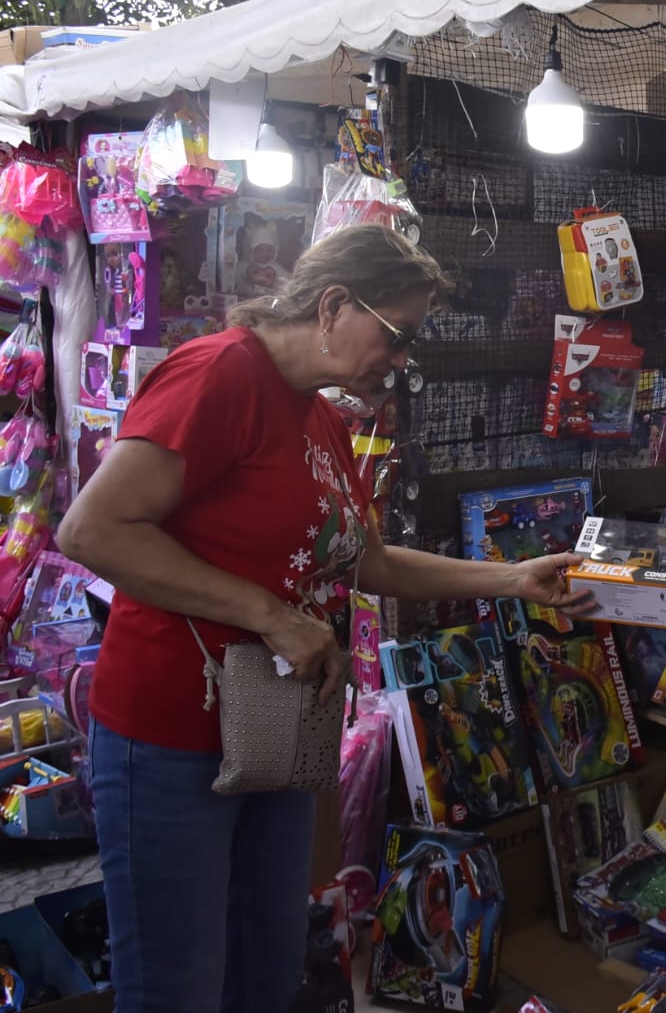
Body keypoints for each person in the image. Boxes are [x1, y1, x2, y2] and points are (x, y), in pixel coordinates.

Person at [56, 224, 592, 1013]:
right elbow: (91, 531)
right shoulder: (219, 374)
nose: (401, 360)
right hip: (170, 734)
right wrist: (270, 615)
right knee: (178, 985)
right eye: (398, 334)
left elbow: (369, 562)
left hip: (272, 727)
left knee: (269, 969)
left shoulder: (321, 420)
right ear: (335, 305)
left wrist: (513, 577)